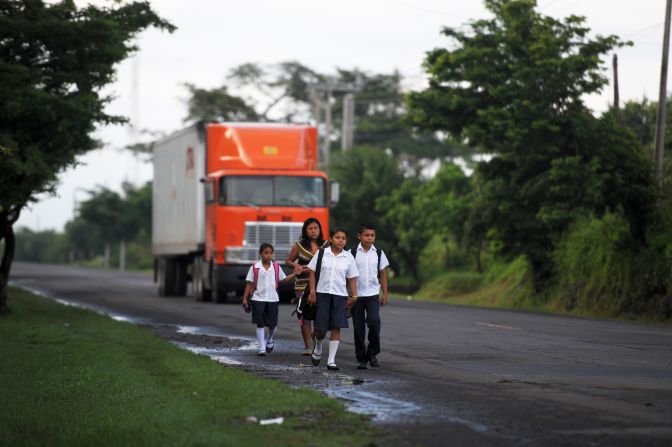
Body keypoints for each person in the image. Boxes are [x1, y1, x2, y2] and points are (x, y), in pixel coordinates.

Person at [307, 228, 358, 371]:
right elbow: (312, 271)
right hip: (322, 294)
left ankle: (331, 360)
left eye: (343, 238)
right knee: (321, 330)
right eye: (337, 237)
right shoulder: (322, 253)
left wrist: (354, 295)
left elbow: (352, 277)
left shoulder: (348, 257)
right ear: (331, 239)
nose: (341, 240)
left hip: (340, 296)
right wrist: (312, 292)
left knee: (336, 326)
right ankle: (317, 346)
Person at [242, 243, 301, 356]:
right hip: (257, 298)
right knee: (260, 323)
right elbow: (249, 284)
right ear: (260, 254)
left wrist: (294, 274)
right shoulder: (255, 268)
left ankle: (270, 339)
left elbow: (283, 279)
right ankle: (262, 348)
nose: (268, 255)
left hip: (273, 299)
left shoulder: (276, 267)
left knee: (272, 325)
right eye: (265, 253)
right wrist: (245, 298)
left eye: (270, 253)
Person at [285, 217, 328, 355]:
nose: (313, 231)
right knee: (304, 315)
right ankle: (308, 347)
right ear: (305, 231)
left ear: (320, 230)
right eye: (310, 228)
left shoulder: (327, 245)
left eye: (316, 228)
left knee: (320, 314)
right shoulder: (299, 246)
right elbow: (288, 261)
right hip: (302, 285)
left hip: (322, 284)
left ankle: (316, 337)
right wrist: (296, 264)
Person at [350, 223, 390, 369]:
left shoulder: (379, 253)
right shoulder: (352, 253)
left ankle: (372, 353)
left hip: (373, 294)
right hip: (357, 296)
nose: (369, 238)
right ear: (359, 236)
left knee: (374, 322)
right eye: (366, 235)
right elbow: (347, 275)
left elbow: (383, 273)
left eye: (372, 235)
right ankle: (361, 358)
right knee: (358, 327)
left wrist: (385, 293)